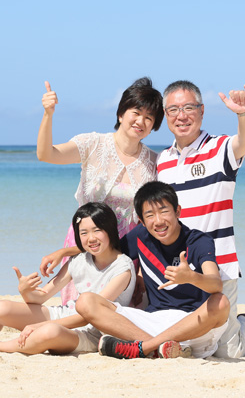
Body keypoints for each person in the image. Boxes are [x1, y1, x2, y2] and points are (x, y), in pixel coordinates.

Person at [156, 80, 245, 358]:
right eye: (173, 109)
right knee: (191, 336)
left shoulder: (220, 149)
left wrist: (243, 114)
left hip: (220, 268)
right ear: (165, 115)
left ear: (202, 111)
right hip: (180, 268)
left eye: (188, 107)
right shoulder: (162, 161)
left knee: (227, 352)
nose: (181, 115)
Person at [0, 202, 136, 355]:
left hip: (92, 332)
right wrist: (25, 291)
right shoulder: (79, 260)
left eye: (96, 230)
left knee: (48, 332)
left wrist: (41, 325)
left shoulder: (122, 268)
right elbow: (41, 297)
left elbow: (89, 316)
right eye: (83, 233)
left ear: (110, 230)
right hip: (63, 316)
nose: (90, 238)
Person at [37, 77, 163, 305]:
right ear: (121, 114)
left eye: (149, 117)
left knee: (113, 317)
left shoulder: (155, 163)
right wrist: (48, 114)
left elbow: (150, 223)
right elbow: (47, 154)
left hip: (125, 255)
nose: (141, 121)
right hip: (84, 244)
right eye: (136, 112)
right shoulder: (93, 144)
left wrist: (143, 274)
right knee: (76, 313)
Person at [74, 181, 230, 359]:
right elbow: (105, 249)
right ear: (140, 220)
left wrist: (192, 277)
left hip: (193, 325)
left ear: (177, 211)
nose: (158, 221)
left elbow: (216, 284)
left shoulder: (198, 241)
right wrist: (64, 252)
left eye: (164, 211)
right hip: (151, 323)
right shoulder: (140, 236)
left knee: (221, 302)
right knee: (85, 301)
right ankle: (158, 348)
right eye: (150, 215)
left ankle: (146, 347)